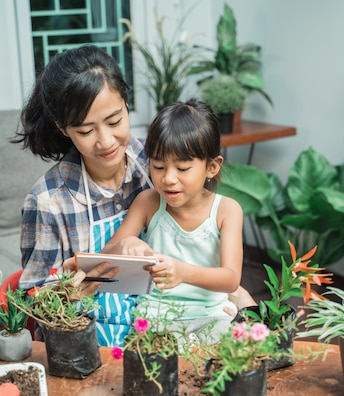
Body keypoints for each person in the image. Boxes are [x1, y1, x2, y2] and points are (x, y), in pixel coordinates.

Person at [13, 45, 254, 347]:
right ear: (64, 129)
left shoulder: (153, 159)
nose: (106, 141)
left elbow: (204, 244)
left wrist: (235, 297)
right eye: (86, 131)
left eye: (114, 121)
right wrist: (72, 288)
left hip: (167, 328)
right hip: (93, 344)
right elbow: (33, 301)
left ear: (126, 103)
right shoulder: (49, 201)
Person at [102, 99, 243, 340]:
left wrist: (182, 272)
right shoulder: (148, 203)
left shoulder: (227, 210)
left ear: (212, 167)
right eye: (158, 167)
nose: (168, 178)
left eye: (183, 168)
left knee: (221, 361)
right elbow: (105, 259)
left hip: (212, 315)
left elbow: (231, 279)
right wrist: (124, 246)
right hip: (156, 317)